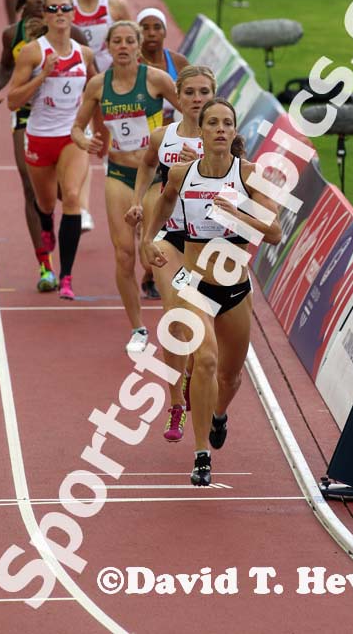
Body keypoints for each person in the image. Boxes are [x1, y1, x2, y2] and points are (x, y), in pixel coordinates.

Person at [142, 98, 281, 486]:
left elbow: (274, 232)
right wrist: (150, 239)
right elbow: (166, 199)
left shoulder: (250, 174)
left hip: (235, 288)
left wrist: (236, 214)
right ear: (200, 131)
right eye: (213, 123)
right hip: (193, 283)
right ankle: (201, 453)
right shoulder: (182, 173)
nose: (220, 129)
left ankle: (219, 414)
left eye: (227, 123)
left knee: (231, 377)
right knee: (204, 360)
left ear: (235, 132)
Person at [71, 21, 181, 352]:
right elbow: (76, 127)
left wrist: (179, 139)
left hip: (155, 177)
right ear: (108, 47)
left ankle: (177, 318)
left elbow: (192, 110)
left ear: (137, 46)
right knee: (124, 254)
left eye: (129, 41)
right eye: (116, 41)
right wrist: (85, 140)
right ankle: (138, 330)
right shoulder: (97, 86)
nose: (123, 46)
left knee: (154, 254)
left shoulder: (156, 80)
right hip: (118, 173)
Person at [125, 65, 216, 442]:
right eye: (190, 92)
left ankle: (197, 373)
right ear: (177, 96)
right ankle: (176, 402)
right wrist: (137, 203)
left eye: (204, 92)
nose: (197, 99)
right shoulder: (163, 136)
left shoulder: (225, 137)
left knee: (205, 331)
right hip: (170, 236)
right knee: (175, 317)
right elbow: (146, 167)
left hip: (212, 243)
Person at [0, 0, 90, 291]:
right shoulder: (13, 35)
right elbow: (6, 66)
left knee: (64, 195)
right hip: (28, 118)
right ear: (31, 4)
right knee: (31, 190)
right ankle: (45, 266)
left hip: (65, 122)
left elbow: (93, 79)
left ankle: (68, 215)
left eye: (60, 4)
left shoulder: (76, 37)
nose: (50, 7)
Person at [7, 0, 97, 299]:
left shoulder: (84, 55)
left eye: (65, 8)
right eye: (52, 8)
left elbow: (96, 92)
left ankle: (67, 277)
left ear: (73, 14)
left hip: (70, 137)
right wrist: (42, 76)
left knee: (71, 196)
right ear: (44, 16)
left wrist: (97, 134)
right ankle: (46, 223)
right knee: (46, 203)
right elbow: (12, 101)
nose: (59, 12)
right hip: (38, 138)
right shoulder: (32, 53)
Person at [137, 7, 190, 298]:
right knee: (146, 213)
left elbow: (194, 97)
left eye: (157, 27)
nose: (152, 33)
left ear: (165, 31)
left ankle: (151, 272)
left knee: (166, 211)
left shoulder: (178, 63)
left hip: (174, 149)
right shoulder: (134, 65)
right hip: (143, 149)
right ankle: (151, 266)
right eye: (145, 27)